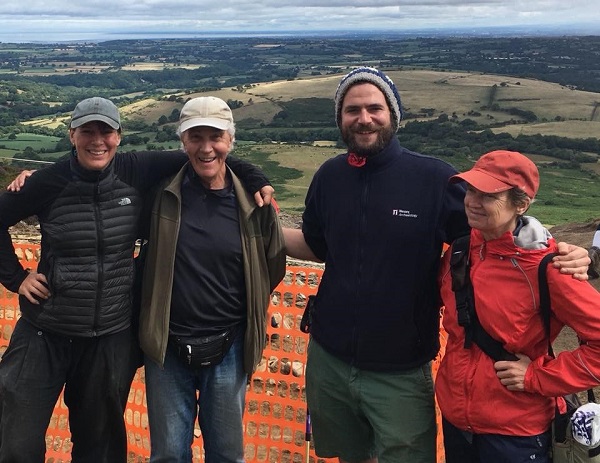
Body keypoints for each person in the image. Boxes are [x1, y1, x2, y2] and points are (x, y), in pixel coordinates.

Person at [283, 66, 591, 463]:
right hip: (328, 356)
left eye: (375, 107)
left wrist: (560, 251)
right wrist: (250, 230)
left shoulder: (433, 178)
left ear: (393, 113)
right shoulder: (329, 176)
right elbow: (317, 244)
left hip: (401, 365)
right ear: (340, 117)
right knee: (349, 455)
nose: (364, 118)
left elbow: (498, 228)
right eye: (352, 109)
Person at [0, 96, 273, 463]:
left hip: (108, 338)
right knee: (15, 444)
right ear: (72, 135)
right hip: (45, 331)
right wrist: (16, 278)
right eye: (87, 131)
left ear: (119, 136)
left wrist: (257, 178)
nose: (98, 140)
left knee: (100, 450)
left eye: (106, 132)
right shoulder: (47, 182)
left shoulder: (135, 170)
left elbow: (207, 155)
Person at [138, 96, 286, 463]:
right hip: (167, 345)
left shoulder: (254, 204)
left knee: (226, 454)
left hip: (230, 346)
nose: (206, 148)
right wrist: (35, 182)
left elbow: (273, 262)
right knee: (169, 455)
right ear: (182, 142)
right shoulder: (159, 193)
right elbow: (100, 176)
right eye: (195, 137)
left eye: (216, 137)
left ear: (230, 141)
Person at [436, 150, 600, 463]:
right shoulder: (458, 252)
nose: (471, 201)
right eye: (470, 190)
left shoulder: (548, 268)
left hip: (516, 434)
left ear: (520, 204)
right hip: (457, 423)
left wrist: (536, 378)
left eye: (487, 195)